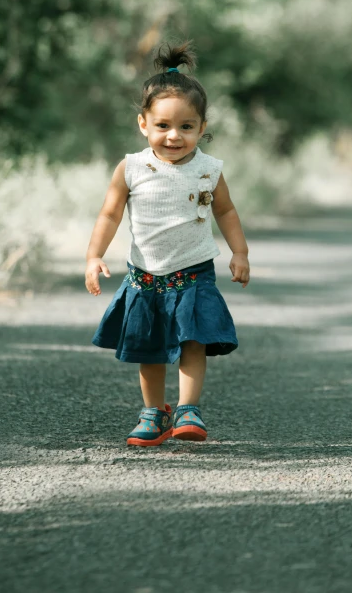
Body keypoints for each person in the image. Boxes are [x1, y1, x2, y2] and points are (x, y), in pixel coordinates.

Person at [85, 40, 250, 447]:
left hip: (194, 271)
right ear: (144, 124)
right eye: (162, 126)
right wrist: (94, 256)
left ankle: (188, 408)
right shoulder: (132, 167)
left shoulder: (209, 170)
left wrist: (239, 252)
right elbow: (109, 214)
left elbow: (225, 212)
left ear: (202, 127)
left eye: (186, 127)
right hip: (146, 273)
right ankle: (153, 411)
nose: (174, 136)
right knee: (150, 347)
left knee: (192, 338)